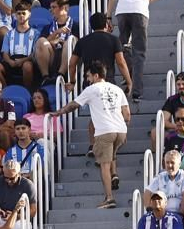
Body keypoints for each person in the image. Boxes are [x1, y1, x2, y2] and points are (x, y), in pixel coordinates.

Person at [45, 64, 129, 207]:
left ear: (96, 75)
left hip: (105, 131)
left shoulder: (91, 89)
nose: (87, 79)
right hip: (121, 130)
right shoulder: (117, 89)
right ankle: (114, 174)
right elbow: (127, 114)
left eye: (88, 76)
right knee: (111, 155)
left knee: (104, 165)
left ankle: (109, 198)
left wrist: (59, 112)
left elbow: (74, 105)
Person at [107, 0, 162, 102]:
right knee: (139, 52)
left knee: (123, 47)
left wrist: (108, 16)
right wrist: (147, 2)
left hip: (122, 11)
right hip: (140, 11)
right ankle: (137, 91)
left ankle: (128, 75)